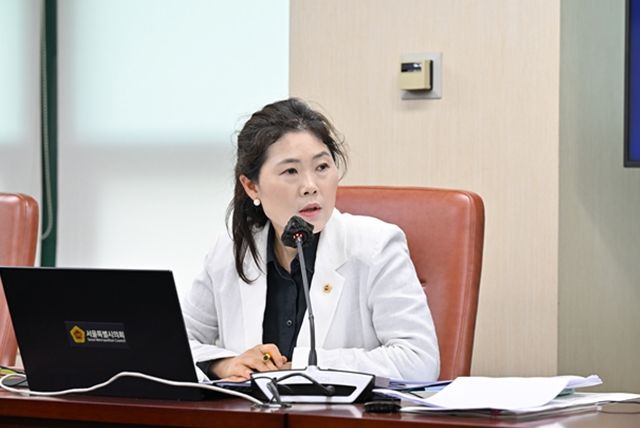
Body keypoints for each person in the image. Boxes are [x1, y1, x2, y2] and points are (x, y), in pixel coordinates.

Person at [183, 98, 439, 381]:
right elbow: (176, 344)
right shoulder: (231, 250)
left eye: (322, 167)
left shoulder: (376, 247)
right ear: (251, 186)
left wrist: (303, 365)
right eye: (290, 171)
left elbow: (419, 361)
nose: (310, 186)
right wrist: (225, 364)